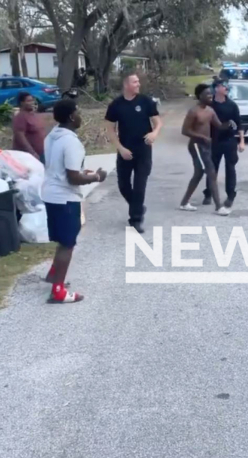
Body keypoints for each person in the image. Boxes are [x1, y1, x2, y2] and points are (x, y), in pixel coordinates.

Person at [42, 99, 107, 303]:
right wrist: (96, 176)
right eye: (78, 112)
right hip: (65, 198)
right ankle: (58, 291)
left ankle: (54, 275)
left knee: (63, 240)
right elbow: (72, 178)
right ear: (71, 116)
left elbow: (61, 167)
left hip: (50, 194)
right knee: (67, 244)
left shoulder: (52, 136)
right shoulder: (71, 142)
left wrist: (81, 172)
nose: (80, 116)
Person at [105, 72, 163, 234]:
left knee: (139, 184)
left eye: (138, 81)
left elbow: (157, 121)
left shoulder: (146, 102)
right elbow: (110, 129)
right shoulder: (116, 105)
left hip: (143, 150)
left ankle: (136, 219)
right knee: (123, 185)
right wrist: (120, 148)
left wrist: (154, 133)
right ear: (126, 84)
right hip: (125, 150)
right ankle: (138, 206)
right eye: (135, 82)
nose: (138, 84)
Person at [179, 84, 234, 215]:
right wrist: (202, 137)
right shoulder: (193, 111)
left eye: (211, 94)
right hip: (197, 146)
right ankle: (219, 207)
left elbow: (219, 126)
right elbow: (185, 131)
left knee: (198, 174)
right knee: (211, 173)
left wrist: (229, 123)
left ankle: (184, 203)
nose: (210, 96)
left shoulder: (210, 111)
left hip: (206, 146)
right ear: (200, 96)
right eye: (207, 94)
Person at [202, 79, 245, 208]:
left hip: (229, 141)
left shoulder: (232, 105)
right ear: (216, 88)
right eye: (223, 86)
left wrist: (241, 141)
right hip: (213, 141)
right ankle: (208, 193)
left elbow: (239, 123)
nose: (226, 88)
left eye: (227, 86)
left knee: (230, 168)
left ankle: (230, 196)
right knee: (212, 169)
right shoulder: (209, 106)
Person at [12, 92, 47, 163]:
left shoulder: (33, 114)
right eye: (28, 101)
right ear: (22, 103)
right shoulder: (21, 116)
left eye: (32, 100)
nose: (32, 102)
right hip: (29, 156)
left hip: (40, 152)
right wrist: (32, 152)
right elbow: (20, 137)